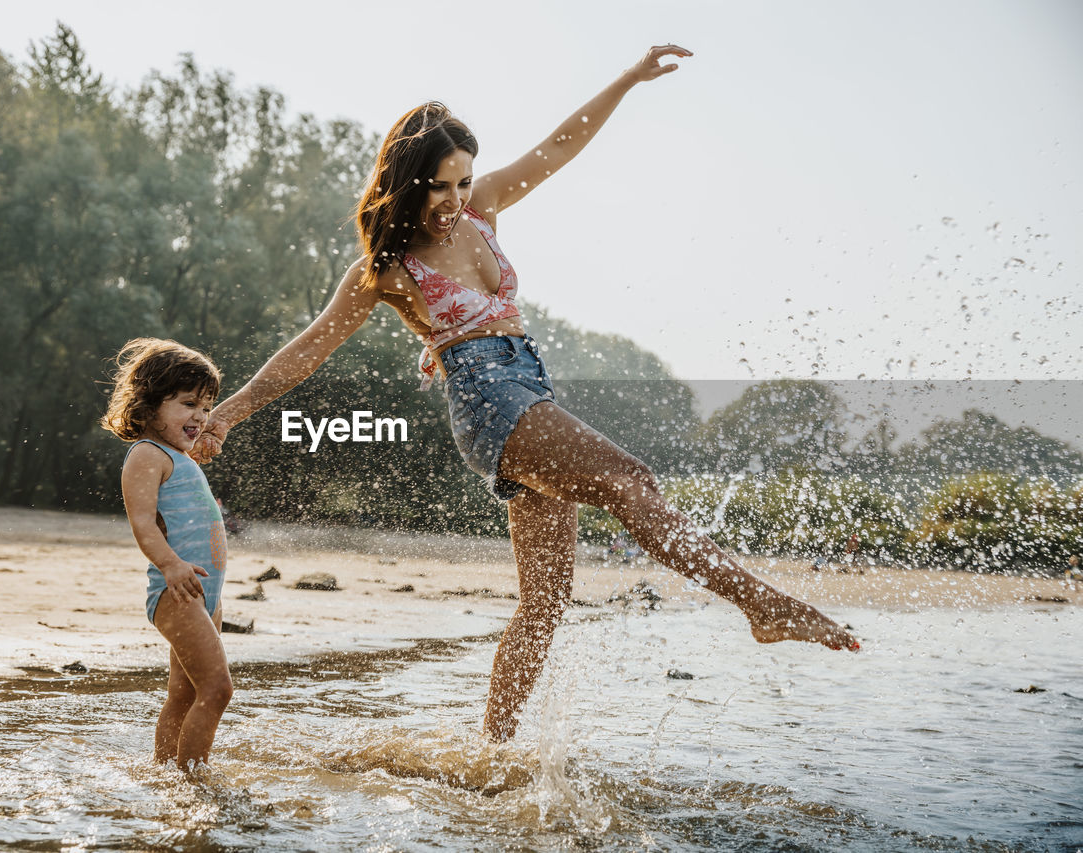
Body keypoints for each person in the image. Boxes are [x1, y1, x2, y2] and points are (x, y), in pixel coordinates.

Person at [193, 45, 859, 742]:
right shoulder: (386, 268)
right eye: (440, 187)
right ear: (408, 182)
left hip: (527, 387)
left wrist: (627, 79)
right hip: (490, 403)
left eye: (463, 183)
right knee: (632, 480)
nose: (454, 202)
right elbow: (310, 347)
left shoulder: (481, 210)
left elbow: (559, 147)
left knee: (545, 604)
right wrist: (232, 411)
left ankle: (493, 751)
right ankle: (762, 605)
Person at [101, 338, 234, 768]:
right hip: (175, 590)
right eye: (188, 403)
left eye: (207, 406)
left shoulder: (177, 454)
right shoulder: (145, 454)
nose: (200, 415)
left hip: (202, 594)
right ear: (149, 404)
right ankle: (194, 779)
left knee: (185, 692)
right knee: (218, 689)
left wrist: (202, 444)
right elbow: (142, 524)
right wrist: (171, 565)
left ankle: (164, 772)